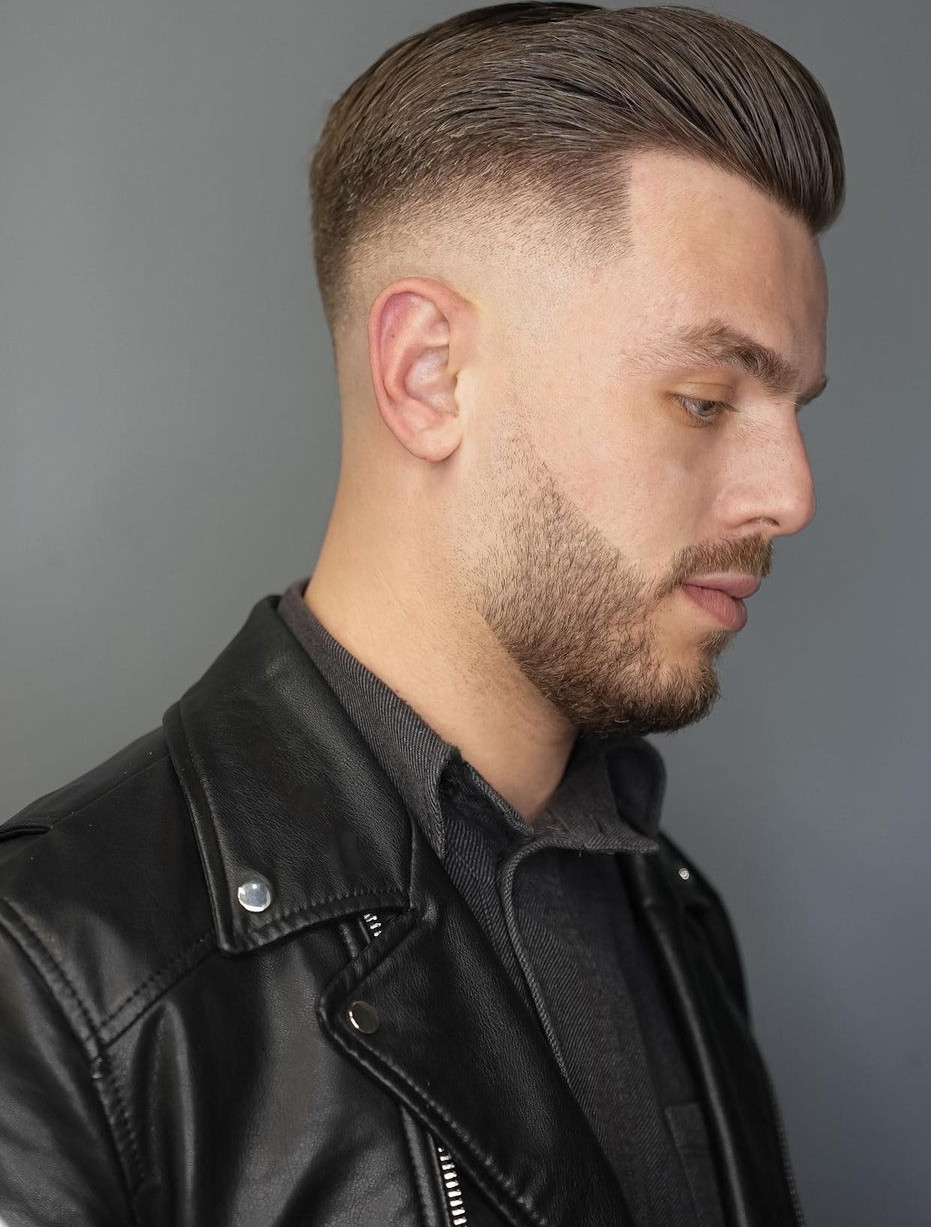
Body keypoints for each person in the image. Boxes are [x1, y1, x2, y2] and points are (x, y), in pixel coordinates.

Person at [0, 4, 844, 1225]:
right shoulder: (57, 980)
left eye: (795, 409)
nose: (792, 497)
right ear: (429, 376)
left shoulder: (664, 900)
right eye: (707, 400)